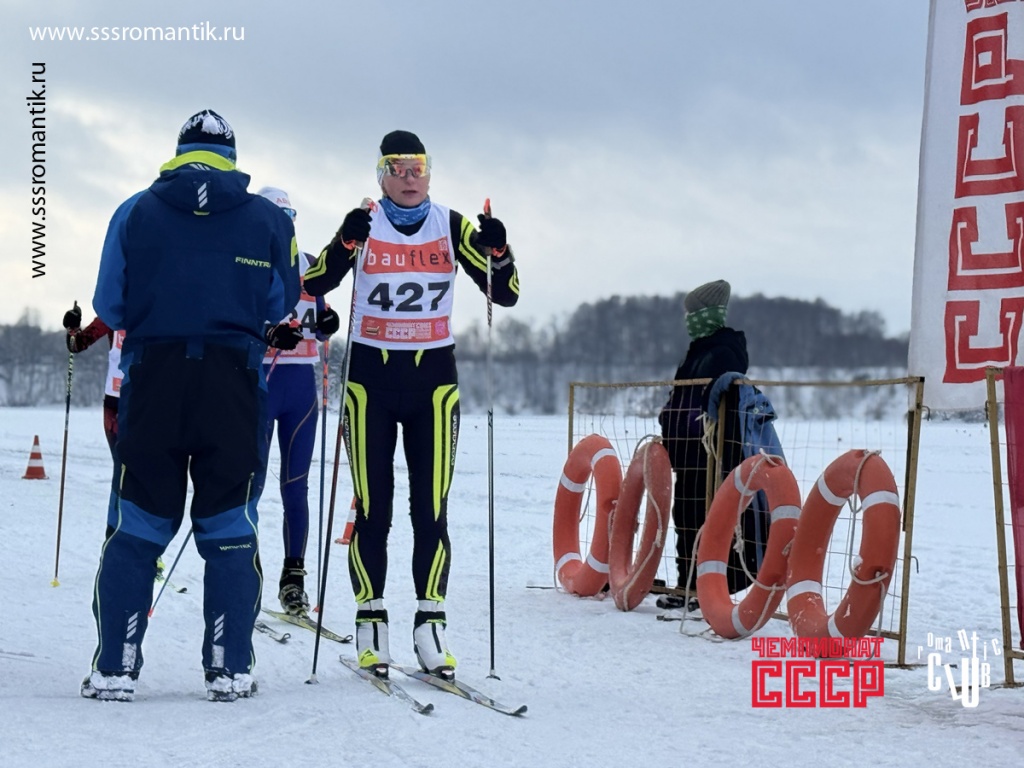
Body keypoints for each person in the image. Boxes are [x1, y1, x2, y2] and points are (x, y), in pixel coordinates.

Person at [81, 109, 300, 703]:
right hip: (234, 382)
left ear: (178, 153)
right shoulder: (268, 219)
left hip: (153, 379)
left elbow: (111, 304)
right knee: (230, 527)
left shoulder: (134, 211)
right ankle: (228, 669)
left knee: (136, 526)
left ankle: (115, 667)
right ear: (231, 158)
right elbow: (280, 301)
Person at [303, 129, 520, 679]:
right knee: (372, 510)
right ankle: (370, 623)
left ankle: (430, 626)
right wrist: (345, 242)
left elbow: (505, 292)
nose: (408, 178)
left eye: (417, 167)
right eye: (397, 168)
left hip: (434, 386)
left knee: (431, 510)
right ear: (381, 175)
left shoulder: (451, 224)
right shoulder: (365, 220)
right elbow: (315, 281)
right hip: (370, 383)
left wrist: (499, 249)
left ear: (429, 173)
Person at [255, 186, 340, 617]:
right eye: (277, 217)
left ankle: (294, 580)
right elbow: (230, 321)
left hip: (301, 387)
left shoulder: (308, 264)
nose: (284, 226)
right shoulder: (249, 261)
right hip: (259, 382)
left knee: (296, 485)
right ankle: (244, 574)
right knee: (249, 483)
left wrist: (326, 324)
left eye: (290, 218)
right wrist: (267, 334)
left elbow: (319, 319)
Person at [657, 280, 757, 609]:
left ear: (708, 314)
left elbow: (711, 403)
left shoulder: (723, 352)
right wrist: (668, 417)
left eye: (693, 313)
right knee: (685, 518)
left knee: (705, 520)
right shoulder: (697, 352)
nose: (688, 320)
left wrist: (683, 422)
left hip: (709, 453)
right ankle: (686, 585)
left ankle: (706, 589)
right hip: (686, 453)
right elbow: (682, 397)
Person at [61, 305, 125, 462]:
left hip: (141, 399)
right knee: (122, 463)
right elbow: (76, 344)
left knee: (138, 464)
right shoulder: (113, 312)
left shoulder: (153, 312)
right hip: (116, 400)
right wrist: (72, 328)